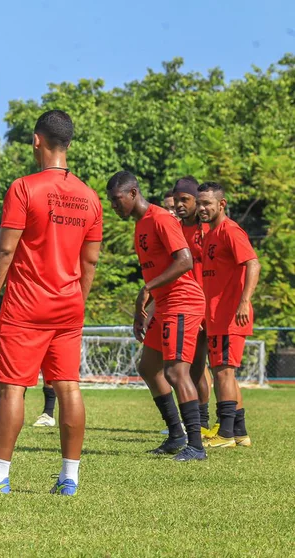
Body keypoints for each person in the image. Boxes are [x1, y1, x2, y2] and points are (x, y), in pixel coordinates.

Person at [0, 109, 102, 494]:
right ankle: (69, 478)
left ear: (37, 140)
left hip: (25, 304)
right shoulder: (90, 198)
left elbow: (4, 251)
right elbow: (90, 260)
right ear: (67, 142)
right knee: (68, 388)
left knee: (12, 389)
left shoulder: (24, 188)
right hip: (69, 305)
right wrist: (76, 302)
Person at [105, 170, 206, 462]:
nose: (114, 206)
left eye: (116, 200)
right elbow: (156, 272)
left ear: (133, 193)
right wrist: (145, 312)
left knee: (176, 372)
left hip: (183, 302)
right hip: (163, 305)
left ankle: (196, 446)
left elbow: (185, 261)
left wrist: (147, 288)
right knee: (149, 367)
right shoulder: (140, 226)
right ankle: (176, 436)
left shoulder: (161, 218)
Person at [197, 182, 259, 448]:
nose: (201, 208)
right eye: (199, 203)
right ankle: (240, 432)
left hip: (230, 316)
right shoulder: (210, 234)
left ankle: (226, 434)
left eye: (207, 204)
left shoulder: (230, 231)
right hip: (216, 316)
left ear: (221, 204)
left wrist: (245, 301)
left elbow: (253, 263)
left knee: (222, 373)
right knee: (227, 374)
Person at [171, 177, 213, 434]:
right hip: (185, 304)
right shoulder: (174, 229)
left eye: (184, 200)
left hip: (207, 306)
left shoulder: (208, 231)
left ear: (196, 202)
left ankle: (207, 422)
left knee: (205, 369)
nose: (178, 205)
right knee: (191, 367)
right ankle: (197, 422)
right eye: (176, 200)